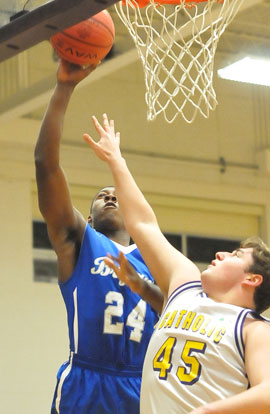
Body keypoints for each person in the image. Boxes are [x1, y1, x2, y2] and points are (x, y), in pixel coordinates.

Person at [83, 113, 270, 414]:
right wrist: (116, 161)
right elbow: (144, 224)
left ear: (252, 279)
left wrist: (207, 411)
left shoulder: (253, 330)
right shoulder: (185, 284)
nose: (221, 253)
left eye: (236, 255)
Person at [34, 60, 163, 414]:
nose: (109, 196)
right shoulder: (80, 242)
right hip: (86, 381)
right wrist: (63, 88)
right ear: (88, 218)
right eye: (101, 196)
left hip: (141, 382)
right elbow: (45, 167)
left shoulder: (157, 256)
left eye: (116, 194)